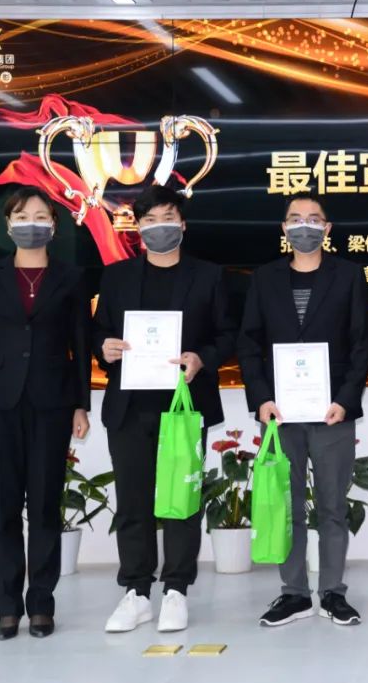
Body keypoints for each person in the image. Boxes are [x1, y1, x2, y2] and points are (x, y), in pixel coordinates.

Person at [94, 184, 236, 634]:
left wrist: (201, 358)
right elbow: (98, 333)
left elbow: (227, 335)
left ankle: (176, 589)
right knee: (133, 502)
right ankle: (136, 592)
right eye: (150, 220)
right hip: (129, 407)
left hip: (183, 408)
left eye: (168, 218)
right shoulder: (116, 277)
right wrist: (105, 349)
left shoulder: (209, 276)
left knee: (182, 499)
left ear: (183, 225)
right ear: (138, 228)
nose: (159, 228)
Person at [0, 186, 91, 640]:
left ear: (54, 224)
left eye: (40, 215)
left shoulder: (71, 277)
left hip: (52, 403)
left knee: (46, 506)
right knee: (5, 507)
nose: (32, 222)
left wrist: (81, 404)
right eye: (22, 215)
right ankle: (8, 606)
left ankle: (42, 605)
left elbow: (80, 345)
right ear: (8, 223)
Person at [239, 194, 368, 627]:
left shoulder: (348, 276)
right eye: (295, 219)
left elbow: (361, 344)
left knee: (332, 507)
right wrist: (261, 398)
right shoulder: (264, 278)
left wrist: (345, 400)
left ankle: (333, 593)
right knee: (287, 506)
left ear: (327, 229)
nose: (304, 226)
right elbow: (248, 343)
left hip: (332, 412)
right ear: (284, 228)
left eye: (314, 219)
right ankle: (294, 594)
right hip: (280, 415)